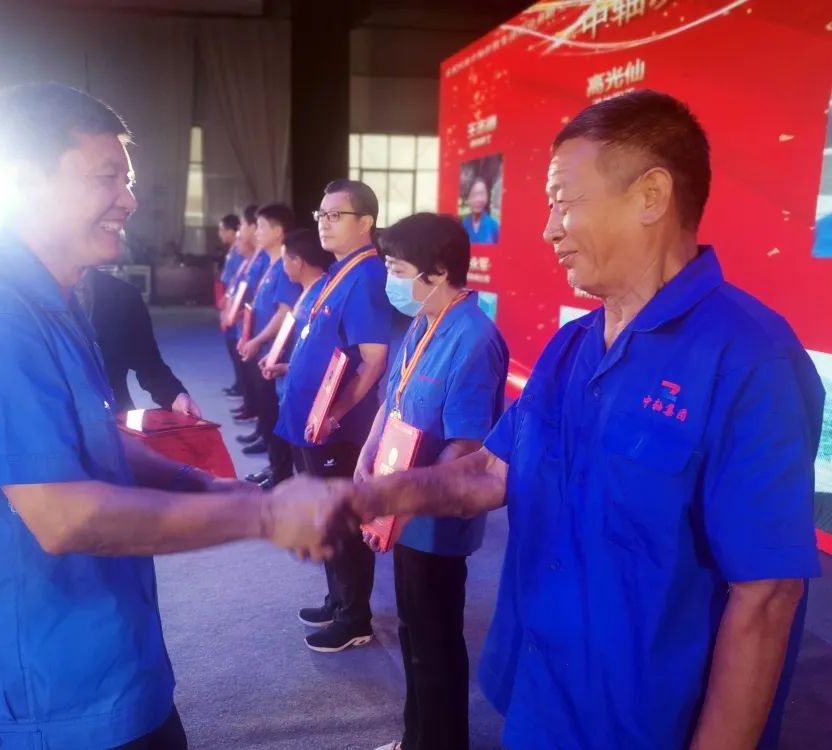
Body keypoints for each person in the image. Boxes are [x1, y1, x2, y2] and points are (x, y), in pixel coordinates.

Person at [289, 90, 825, 749]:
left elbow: (766, 597)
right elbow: (491, 470)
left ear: (651, 196)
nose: (549, 229)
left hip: (648, 723)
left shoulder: (751, 358)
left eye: (564, 202)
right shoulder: (571, 348)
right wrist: (368, 495)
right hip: (541, 693)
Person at [0, 82, 353, 750]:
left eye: (128, 180)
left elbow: (96, 439)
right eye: (106, 177)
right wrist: (262, 517)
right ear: (23, 180)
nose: (129, 200)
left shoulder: (54, 299)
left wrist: (206, 486)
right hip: (54, 685)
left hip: (108, 651)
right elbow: (64, 516)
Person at [356, 213, 508, 750]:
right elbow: (393, 401)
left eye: (397, 269)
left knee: (435, 640)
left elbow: (466, 447)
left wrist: (405, 497)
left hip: (434, 519)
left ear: (438, 271)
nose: (389, 281)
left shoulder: (474, 338)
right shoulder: (424, 322)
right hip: (399, 508)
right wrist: (367, 458)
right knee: (412, 630)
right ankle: (414, 737)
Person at [274, 179, 394, 653]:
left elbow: (373, 360)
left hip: (337, 430)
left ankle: (354, 617)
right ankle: (337, 599)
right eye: (320, 214)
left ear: (366, 222)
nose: (324, 223)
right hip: (311, 422)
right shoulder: (338, 273)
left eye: (335, 215)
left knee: (341, 520)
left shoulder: (367, 277)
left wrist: (337, 413)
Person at [255, 229, 335, 488]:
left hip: (308, 394)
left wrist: (287, 367)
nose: (283, 266)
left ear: (298, 262)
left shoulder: (322, 294)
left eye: (285, 260)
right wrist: (277, 360)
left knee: (312, 471)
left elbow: (321, 354)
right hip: (290, 384)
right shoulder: (306, 292)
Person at [76, 267, 201, 416]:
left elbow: (147, 361)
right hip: (56, 422)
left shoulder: (123, 294)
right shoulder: (49, 298)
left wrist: (174, 395)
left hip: (114, 416)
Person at [236, 203, 301, 472]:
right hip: (262, 349)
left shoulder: (283, 268)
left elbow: (284, 312)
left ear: (277, 231)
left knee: (274, 412)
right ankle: (273, 466)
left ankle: (279, 472)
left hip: (274, 353)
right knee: (266, 408)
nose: (256, 232)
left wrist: (258, 340)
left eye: (261, 226)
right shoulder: (272, 264)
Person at [228, 204, 268, 425]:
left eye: (243, 224)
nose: (240, 230)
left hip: (260, 333)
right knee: (251, 378)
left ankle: (259, 419)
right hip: (247, 326)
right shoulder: (254, 257)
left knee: (264, 388)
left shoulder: (267, 260)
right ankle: (255, 416)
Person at [221, 205, 258, 416]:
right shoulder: (248, 259)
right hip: (240, 320)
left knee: (255, 374)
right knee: (243, 365)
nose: (239, 232)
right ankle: (248, 401)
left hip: (251, 326)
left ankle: (252, 406)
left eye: (243, 225)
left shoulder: (262, 260)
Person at [216, 213, 244, 398]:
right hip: (230, 301)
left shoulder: (240, 253)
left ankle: (242, 385)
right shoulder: (233, 251)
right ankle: (239, 383)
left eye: (222, 230)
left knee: (236, 346)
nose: (220, 234)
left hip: (236, 306)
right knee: (231, 345)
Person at [460, 176, 499, 244]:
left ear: (487, 197)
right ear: (468, 199)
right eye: (474, 194)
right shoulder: (462, 227)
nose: (478, 199)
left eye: (482, 194)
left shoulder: (495, 227)